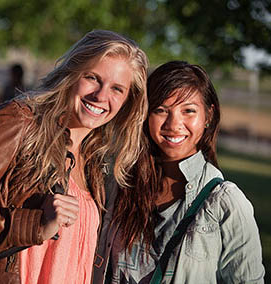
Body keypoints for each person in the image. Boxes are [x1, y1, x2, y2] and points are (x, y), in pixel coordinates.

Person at [0, 29, 149, 284]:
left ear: (129, 100)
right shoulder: (19, 122)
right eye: (92, 78)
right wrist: (35, 225)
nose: (101, 95)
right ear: (71, 74)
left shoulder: (96, 162)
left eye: (117, 89)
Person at [93, 61, 265, 283]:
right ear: (146, 115)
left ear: (208, 116)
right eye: (161, 110)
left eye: (188, 111)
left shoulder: (225, 203)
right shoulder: (120, 184)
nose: (174, 124)